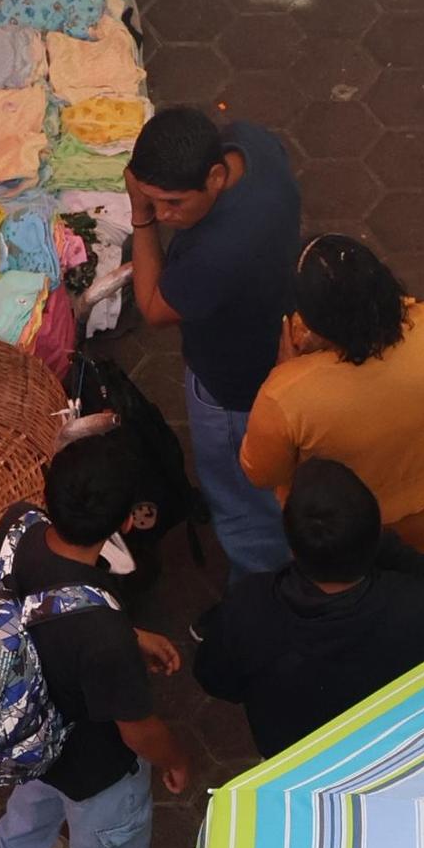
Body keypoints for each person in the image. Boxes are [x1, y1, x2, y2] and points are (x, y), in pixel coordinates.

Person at [0, 434, 195, 848]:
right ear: (124, 526)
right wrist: (177, 758)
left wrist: (128, 632)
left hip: (22, 731)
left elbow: (38, 606)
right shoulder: (103, 637)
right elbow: (136, 730)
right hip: (93, 766)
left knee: (34, 797)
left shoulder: (15, 527)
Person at [127, 108, 303, 577]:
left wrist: (140, 218)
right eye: (153, 200)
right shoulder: (251, 143)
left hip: (232, 385)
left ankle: (256, 588)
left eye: (173, 203)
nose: (165, 214)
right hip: (272, 325)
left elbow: (152, 307)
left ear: (215, 177)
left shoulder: (219, 253)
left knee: (244, 502)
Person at [194, 464, 424, 761]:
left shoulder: (248, 605)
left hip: (288, 754)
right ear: (374, 534)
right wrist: (371, 541)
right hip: (383, 746)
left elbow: (215, 679)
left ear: (293, 547)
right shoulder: (421, 606)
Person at [239, 238, 424, 561]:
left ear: (316, 325)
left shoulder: (287, 395)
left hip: (342, 535)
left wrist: (290, 371)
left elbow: (261, 473)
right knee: (421, 587)